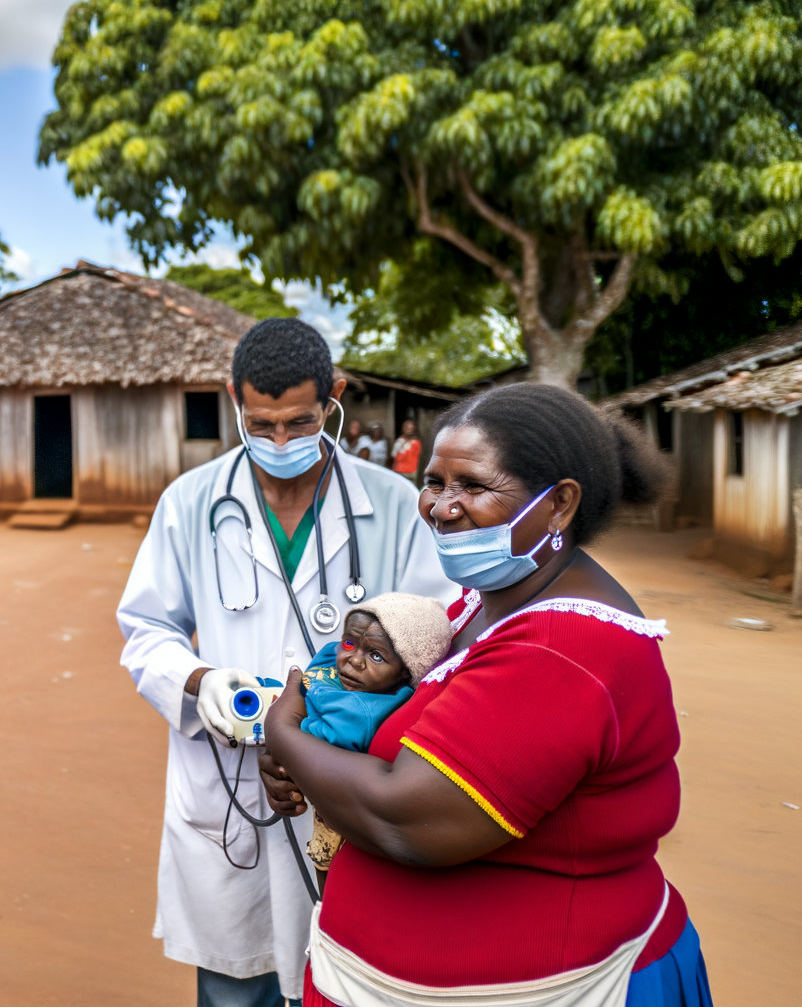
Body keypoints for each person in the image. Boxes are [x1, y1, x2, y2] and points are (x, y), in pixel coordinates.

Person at [253, 383, 712, 1007]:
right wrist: (314, 752)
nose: (442, 508)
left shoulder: (562, 650)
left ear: (559, 504)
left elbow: (406, 820)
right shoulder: (483, 605)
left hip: (547, 987)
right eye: (434, 482)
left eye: (472, 485)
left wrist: (285, 734)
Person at [117, 317, 454, 1007]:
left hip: (349, 789)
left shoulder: (395, 505)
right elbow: (146, 628)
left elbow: (436, 645)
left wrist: (342, 725)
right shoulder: (190, 502)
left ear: (334, 398)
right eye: (261, 424)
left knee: (345, 981)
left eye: (300, 422)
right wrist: (202, 682)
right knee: (233, 986)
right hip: (230, 789)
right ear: (234, 401)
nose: (279, 443)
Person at [284, 595, 450, 889]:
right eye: (349, 643)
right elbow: (328, 655)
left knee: (329, 874)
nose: (354, 660)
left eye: (376, 656)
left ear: (406, 671)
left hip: (338, 814)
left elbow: (308, 738)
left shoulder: (361, 713)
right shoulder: (338, 659)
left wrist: (286, 717)